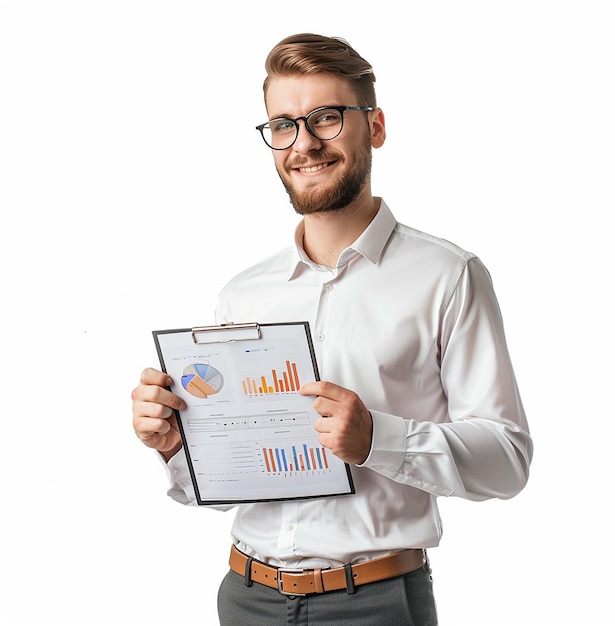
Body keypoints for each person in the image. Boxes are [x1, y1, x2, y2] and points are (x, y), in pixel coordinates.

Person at [132, 33, 533, 625]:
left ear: (375, 127)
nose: (304, 144)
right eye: (284, 125)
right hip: (247, 598)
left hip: (374, 605)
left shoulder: (449, 276)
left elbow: (507, 459)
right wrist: (178, 451)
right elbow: (241, 473)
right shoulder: (243, 293)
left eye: (326, 118)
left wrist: (378, 438)